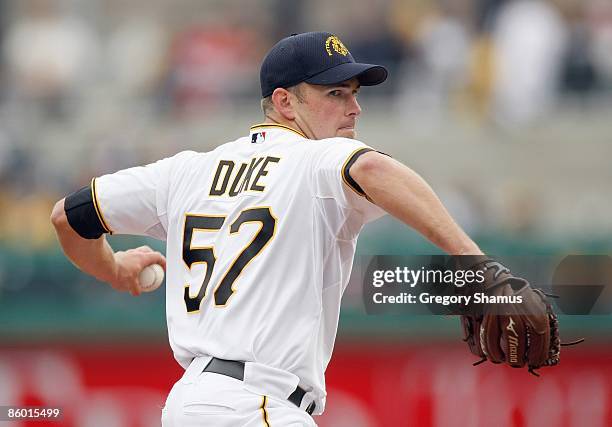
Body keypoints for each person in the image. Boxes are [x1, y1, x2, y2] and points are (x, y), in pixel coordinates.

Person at [51, 32, 551, 426]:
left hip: (188, 404)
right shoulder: (315, 159)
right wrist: (477, 262)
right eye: (336, 93)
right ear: (286, 102)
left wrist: (114, 269)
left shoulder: (185, 171)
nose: (354, 108)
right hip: (259, 405)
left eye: (354, 93)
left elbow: (68, 217)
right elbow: (374, 170)